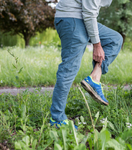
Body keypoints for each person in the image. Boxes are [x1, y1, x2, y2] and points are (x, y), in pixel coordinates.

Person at [50, 0, 123, 128]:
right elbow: (89, 13)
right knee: (69, 69)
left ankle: (95, 78)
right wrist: (97, 45)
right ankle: (57, 119)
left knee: (114, 39)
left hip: (80, 18)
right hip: (72, 19)